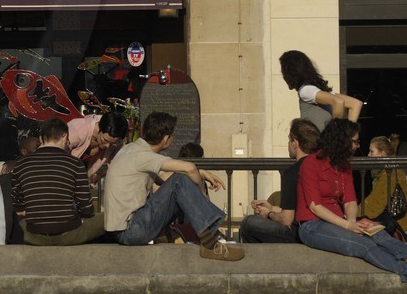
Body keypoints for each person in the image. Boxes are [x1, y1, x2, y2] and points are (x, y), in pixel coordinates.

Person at [296, 119, 407, 285]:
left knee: (376, 231)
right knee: (362, 245)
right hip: (312, 225)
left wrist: (352, 221)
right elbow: (315, 207)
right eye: (354, 141)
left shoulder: (343, 165)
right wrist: (348, 226)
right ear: (341, 140)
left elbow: (350, 200)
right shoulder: (311, 163)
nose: (357, 146)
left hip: (338, 220)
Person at [102, 111, 244, 261]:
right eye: (172, 136)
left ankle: (168, 233)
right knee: (181, 179)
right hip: (132, 231)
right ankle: (210, 244)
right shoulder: (144, 156)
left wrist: (201, 173)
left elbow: (163, 180)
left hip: (122, 230)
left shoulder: (130, 149)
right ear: (166, 139)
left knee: (179, 181)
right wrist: (201, 193)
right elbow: (189, 168)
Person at [12, 118, 104, 246]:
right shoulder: (75, 163)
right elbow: (86, 210)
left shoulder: (21, 164)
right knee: (106, 219)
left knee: (20, 222)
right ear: (65, 137)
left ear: (41, 139)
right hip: (68, 235)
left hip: (33, 235)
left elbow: (18, 205)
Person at [238, 119, 321, 245]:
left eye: (289, 140)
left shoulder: (292, 172)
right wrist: (271, 207)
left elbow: (286, 220)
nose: (288, 144)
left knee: (248, 223)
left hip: (299, 234)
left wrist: (269, 214)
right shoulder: (323, 167)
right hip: (321, 228)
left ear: (295, 143)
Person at [280, 50, 362, 129]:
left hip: (317, 138)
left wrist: (335, 132)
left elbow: (338, 102)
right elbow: (355, 104)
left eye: (284, 73)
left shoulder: (306, 91)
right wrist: (346, 134)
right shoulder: (319, 90)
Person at [359, 133, 407, 239]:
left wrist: (352, 215)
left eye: (371, 151)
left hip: (399, 227)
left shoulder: (389, 172)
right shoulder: (389, 170)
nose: (368, 155)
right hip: (399, 224)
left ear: (382, 154)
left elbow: (376, 202)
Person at [63, 109, 129, 183]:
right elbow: (56, 154)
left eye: (112, 143)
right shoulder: (78, 130)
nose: (107, 146)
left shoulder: (117, 141)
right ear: (99, 128)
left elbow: (115, 165)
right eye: (105, 140)